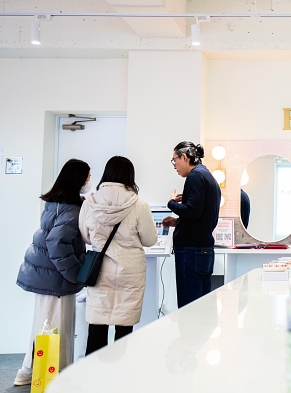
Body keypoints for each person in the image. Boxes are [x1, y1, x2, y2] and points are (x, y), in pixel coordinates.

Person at [14, 159, 91, 385]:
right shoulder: (72, 210)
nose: (89, 181)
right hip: (56, 279)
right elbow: (57, 244)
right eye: (87, 177)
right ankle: (59, 377)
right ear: (77, 179)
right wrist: (76, 274)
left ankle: (28, 372)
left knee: (43, 326)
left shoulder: (55, 203)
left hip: (44, 275)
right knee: (59, 329)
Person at [79, 156, 157, 355]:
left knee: (97, 324)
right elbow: (149, 240)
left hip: (99, 271)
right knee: (124, 327)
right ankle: (121, 377)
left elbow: (85, 236)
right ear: (130, 176)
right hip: (129, 273)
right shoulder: (139, 205)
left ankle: (93, 378)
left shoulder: (89, 203)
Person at [162, 142, 221, 308]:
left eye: (175, 161)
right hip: (204, 250)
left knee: (188, 309)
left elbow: (192, 211)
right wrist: (178, 222)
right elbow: (200, 215)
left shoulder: (195, 176)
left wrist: (171, 203)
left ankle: (188, 335)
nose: (175, 166)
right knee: (202, 308)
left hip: (191, 252)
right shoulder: (208, 176)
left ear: (185, 157)